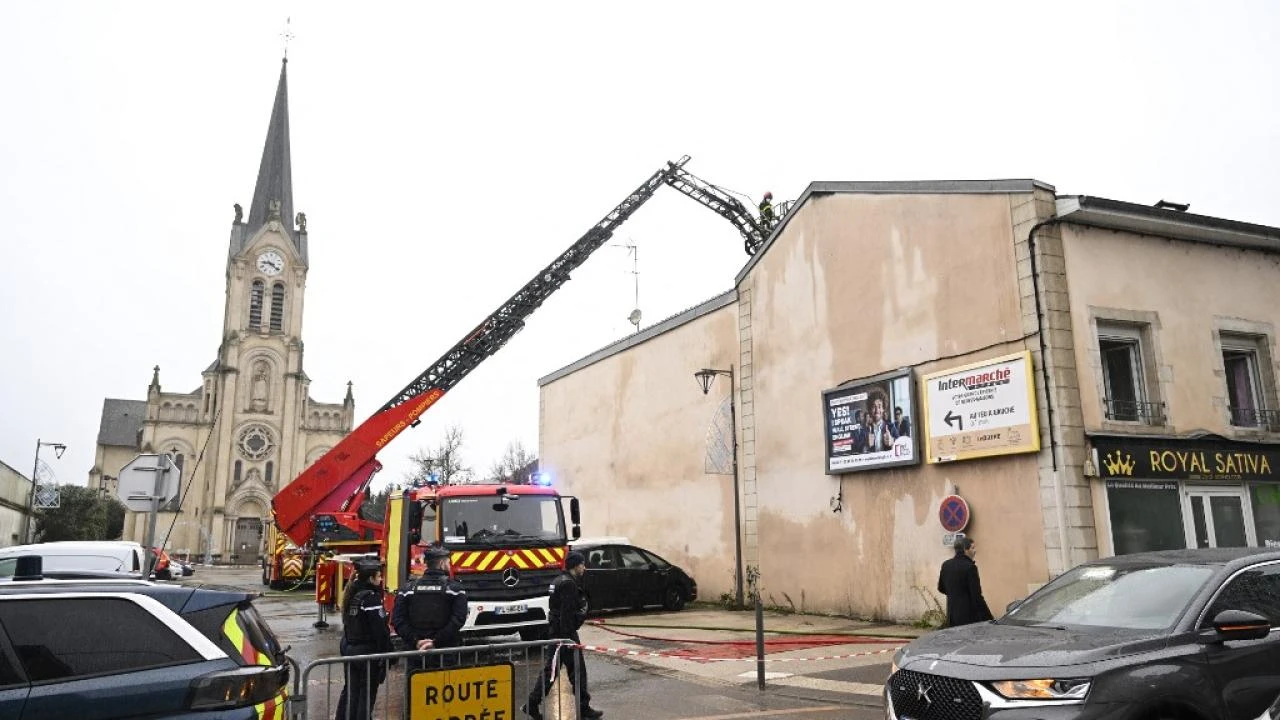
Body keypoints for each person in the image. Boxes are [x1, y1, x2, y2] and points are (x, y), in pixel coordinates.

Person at [523, 551, 602, 720]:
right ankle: (582, 708)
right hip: (564, 636)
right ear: (575, 565)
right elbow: (567, 614)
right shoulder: (568, 584)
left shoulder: (558, 580)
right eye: (582, 564)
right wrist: (572, 630)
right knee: (572, 672)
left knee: (554, 672)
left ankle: (533, 704)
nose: (584, 567)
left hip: (558, 634)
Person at [391, 544, 467, 670]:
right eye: (448, 562)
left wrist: (416, 641)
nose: (449, 565)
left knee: (415, 682)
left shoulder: (407, 589)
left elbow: (397, 620)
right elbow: (458, 619)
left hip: (416, 654)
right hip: (445, 653)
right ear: (442, 563)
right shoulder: (455, 589)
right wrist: (436, 642)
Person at [335, 556, 393, 720]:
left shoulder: (352, 593)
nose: (381, 580)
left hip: (350, 648)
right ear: (371, 578)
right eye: (379, 576)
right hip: (366, 652)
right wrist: (389, 653)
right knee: (366, 694)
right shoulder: (370, 598)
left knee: (351, 691)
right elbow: (380, 631)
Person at [937, 537, 993, 627]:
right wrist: (989, 618)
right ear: (965, 550)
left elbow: (941, 588)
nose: (975, 551)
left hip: (952, 617)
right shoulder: (970, 567)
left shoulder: (946, 565)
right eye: (972, 548)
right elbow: (977, 596)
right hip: (969, 619)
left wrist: (955, 594)